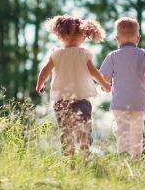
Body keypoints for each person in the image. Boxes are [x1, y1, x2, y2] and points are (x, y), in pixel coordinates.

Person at [36, 15, 111, 156]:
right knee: (84, 131)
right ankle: (85, 156)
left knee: (65, 133)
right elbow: (94, 73)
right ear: (83, 36)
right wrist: (105, 84)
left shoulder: (56, 54)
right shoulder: (83, 54)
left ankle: (68, 158)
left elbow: (44, 72)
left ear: (60, 35)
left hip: (61, 101)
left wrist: (40, 84)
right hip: (81, 100)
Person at [99, 17, 145, 160]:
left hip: (120, 103)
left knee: (122, 132)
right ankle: (136, 159)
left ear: (117, 38)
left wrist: (105, 86)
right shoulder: (143, 53)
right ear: (138, 38)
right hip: (138, 102)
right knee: (137, 133)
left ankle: (123, 159)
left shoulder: (113, 56)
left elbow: (104, 77)